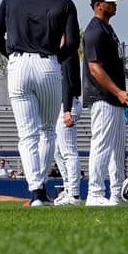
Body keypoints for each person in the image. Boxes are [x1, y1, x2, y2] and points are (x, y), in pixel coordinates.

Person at [0, 0, 80, 207]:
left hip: (18, 65)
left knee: (27, 135)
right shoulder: (64, 2)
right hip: (48, 63)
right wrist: (55, 58)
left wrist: (13, 56)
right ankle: (40, 189)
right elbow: (73, 42)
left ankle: (36, 191)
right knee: (48, 131)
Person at [83, 0, 128, 207]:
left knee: (117, 148)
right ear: (98, 5)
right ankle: (94, 193)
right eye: (111, 1)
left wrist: (122, 94)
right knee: (102, 144)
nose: (115, 4)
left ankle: (117, 193)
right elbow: (95, 68)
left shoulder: (107, 29)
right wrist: (118, 92)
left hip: (114, 99)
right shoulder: (95, 31)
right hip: (102, 97)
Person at [47, 46, 83, 205]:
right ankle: (68, 188)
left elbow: (67, 83)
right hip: (61, 104)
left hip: (67, 104)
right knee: (56, 150)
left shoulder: (68, 53)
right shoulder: (60, 53)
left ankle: (74, 194)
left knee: (68, 151)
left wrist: (67, 110)